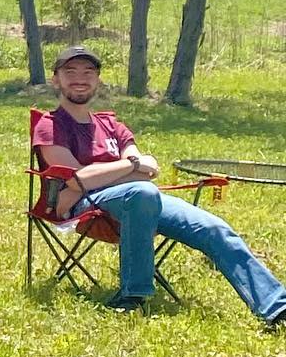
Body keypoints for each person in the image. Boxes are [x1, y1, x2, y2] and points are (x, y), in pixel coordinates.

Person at [34, 45, 286, 321]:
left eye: (88, 71)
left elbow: (149, 169)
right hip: (84, 208)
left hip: (142, 202)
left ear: (98, 80)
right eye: (70, 72)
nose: (79, 78)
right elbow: (77, 181)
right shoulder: (50, 125)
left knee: (214, 228)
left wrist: (119, 170)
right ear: (55, 79)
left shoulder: (112, 125)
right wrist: (130, 167)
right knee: (141, 191)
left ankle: (276, 307)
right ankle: (133, 296)